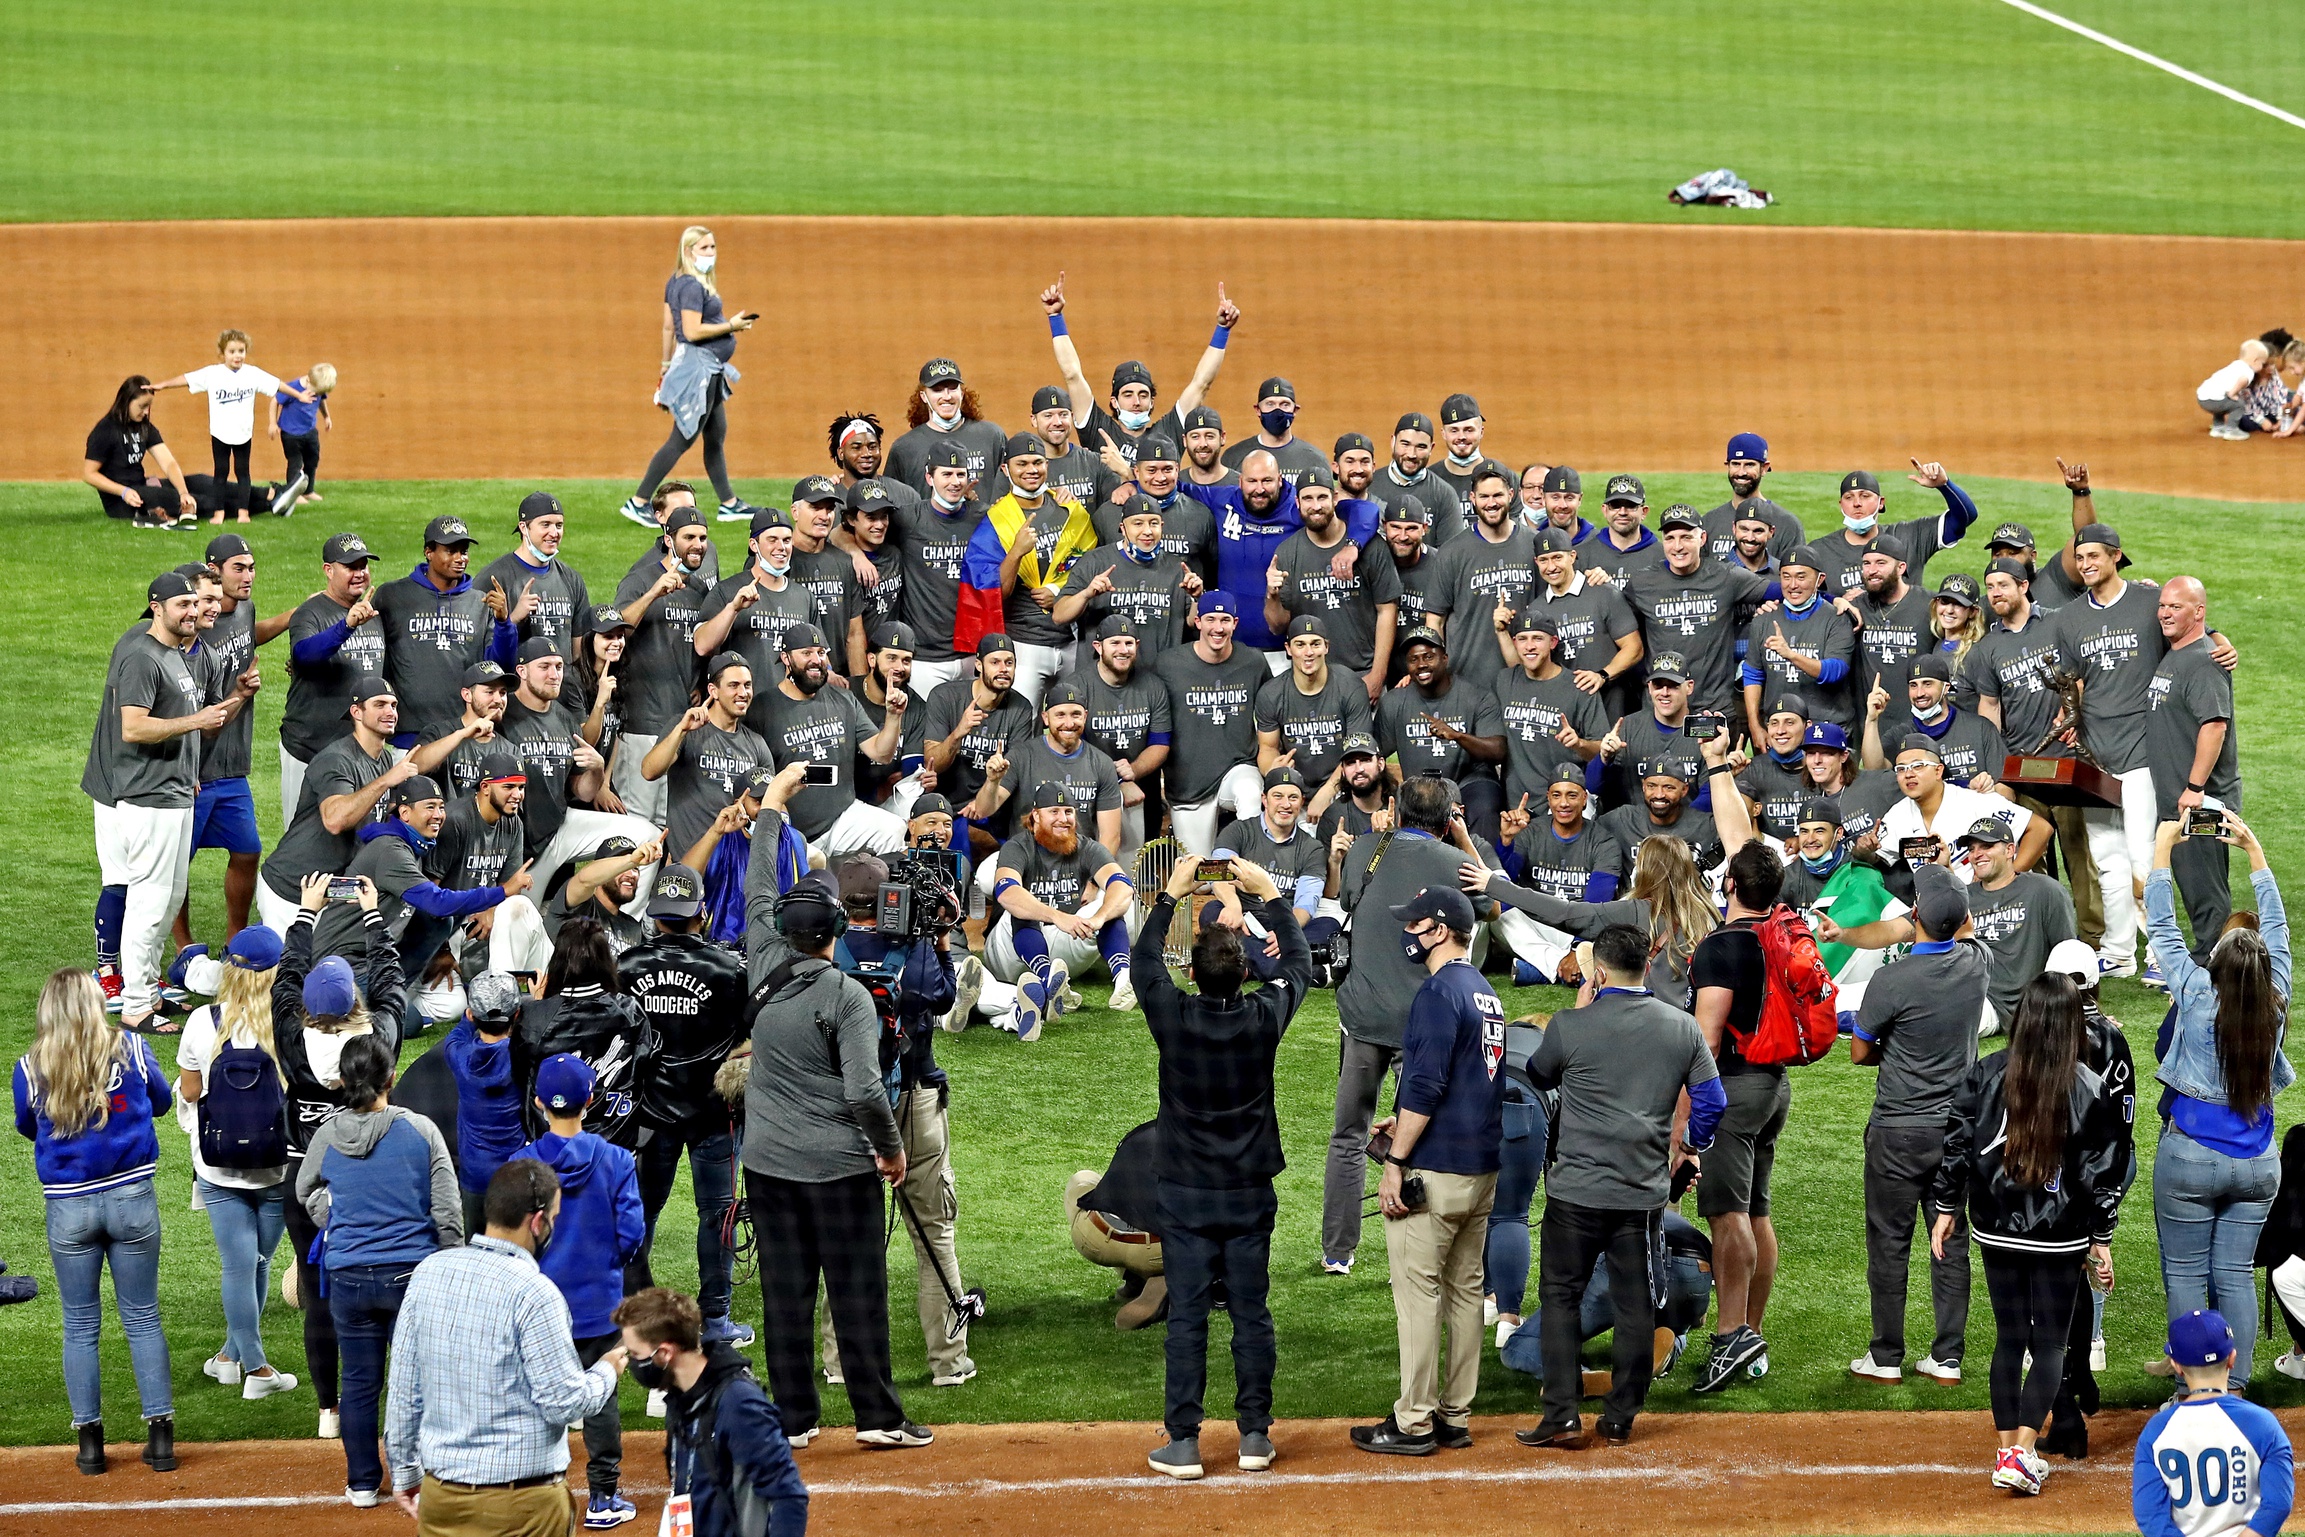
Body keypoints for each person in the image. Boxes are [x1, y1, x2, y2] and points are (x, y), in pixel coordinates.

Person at [738, 793, 932, 1450]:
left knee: (783, 1295)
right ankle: (876, 1418)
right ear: (835, 932)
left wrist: (768, 813)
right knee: (856, 1293)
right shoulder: (846, 994)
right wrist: (891, 1151)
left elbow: (758, 882)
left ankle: (794, 1418)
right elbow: (863, 1088)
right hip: (840, 1170)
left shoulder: (760, 964)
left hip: (767, 1166)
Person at [1513, 924, 1724, 1449]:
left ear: (1599, 973)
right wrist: (1691, 1145)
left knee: (1561, 1297)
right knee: (1636, 1306)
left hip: (1576, 1194)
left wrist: (1582, 1012)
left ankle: (1561, 1414)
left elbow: (1538, 1076)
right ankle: (1619, 1418)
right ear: (1646, 968)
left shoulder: (1568, 1025)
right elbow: (1713, 1102)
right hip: (1641, 1196)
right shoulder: (1682, 1028)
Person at [1138, 854, 1309, 1478]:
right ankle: (1255, 1437)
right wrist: (1266, 896)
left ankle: (1183, 1441)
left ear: (1194, 973)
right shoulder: (1263, 1017)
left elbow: (1144, 963)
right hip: (1246, 1193)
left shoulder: (1173, 1017)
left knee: (1186, 1314)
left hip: (1184, 1192)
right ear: (1243, 973)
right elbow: (1299, 966)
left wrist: (1168, 897)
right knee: (1251, 1312)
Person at [1930, 974, 2125, 1497]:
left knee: (2010, 1340)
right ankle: (2021, 1452)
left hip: (1995, 1228)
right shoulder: (2088, 1086)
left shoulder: (1987, 1073)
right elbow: (2104, 1171)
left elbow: (1957, 1141)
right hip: (2061, 1237)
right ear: (2068, 1025)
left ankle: (2008, 1451)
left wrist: (1946, 1207)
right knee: (2049, 1343)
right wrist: (2101, 1238)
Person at [383, 1159, 631, 1535]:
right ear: (537, 1222)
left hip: (441, 1502)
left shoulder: (428, 1273)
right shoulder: (535, 1293)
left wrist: (404, 1471)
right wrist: (607, 1369)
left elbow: (404, 1388)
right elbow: (564, 1402)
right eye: (554, 1217)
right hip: (522, 1509)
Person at [1350, 885, 1508, 1457]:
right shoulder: (1485, 991)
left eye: (1415, 925)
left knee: (1419, 1297)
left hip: (1435, 1174)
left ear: (1440, 930)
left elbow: (1425, 1086)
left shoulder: (1438, 993)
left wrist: (1395, 1160)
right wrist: (1407, 1123)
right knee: (1466, 1294)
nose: (1408, 935)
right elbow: (1469, 1081)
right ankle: (1454, 1416)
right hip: (1480, 1170)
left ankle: (1413, 1421)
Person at [1324, 777, 1501, 1275]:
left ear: (1397, 811)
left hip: (1362, 1015)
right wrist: (1463, 839)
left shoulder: (1364, 849)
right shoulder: (1455, 862)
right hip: (1424, 1020)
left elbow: (1345, 903)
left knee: (1348, 1134)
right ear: (1448, 819)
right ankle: (1423, 1248)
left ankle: (1337, 1251)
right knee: (1421, 1136)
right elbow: (1492, 906)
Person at [15, 969, 178, 1476]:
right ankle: (161, 1442)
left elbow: (27, 1124)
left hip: (69, 1209)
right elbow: (163, 1103)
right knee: (143, 1318)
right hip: (132, 1199)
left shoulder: (30, 1065)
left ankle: (89, 1446)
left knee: (80, 1325)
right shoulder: (129, 1045)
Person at [819, 854, 973, 1388]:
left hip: (843, 1107)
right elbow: (946, 996)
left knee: (847, 1237)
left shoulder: (825, 950)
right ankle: (948, 1362)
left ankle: (840, 1365)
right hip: (912, 1097)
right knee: (934, 1232)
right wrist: (938, 939)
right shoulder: (913, 947)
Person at [1466, 726, 1752, 1007]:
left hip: (1644, 1022)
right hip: (1694, 1022)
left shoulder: (1634, 912)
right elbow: (1741, 842)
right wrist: (1718, 765)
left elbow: (1563, 913)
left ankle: (1546, 971)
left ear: (1645, 870)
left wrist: (1492, 884)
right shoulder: (1712, 914)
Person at [2149, 811, 2290, 1383]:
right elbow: (2276, 929)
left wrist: (2163, 852)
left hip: (2188, 1160)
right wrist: (2254, 851)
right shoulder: (2275, 995)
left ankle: (2193, 1391)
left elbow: (2162, 928)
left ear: (2215, 964)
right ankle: (2232, 1388)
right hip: (2258, 1164)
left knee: (2186, 1274)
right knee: (2233, 1276)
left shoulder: (2194, 990)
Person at [295, 1031, 461, 1507]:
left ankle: (363, 1482)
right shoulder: (420, 1131)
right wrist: (447, 1266)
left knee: (359, 1383)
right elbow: (447, 1211)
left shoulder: (327, 1136)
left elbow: (306, 1194)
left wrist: (340, 1220)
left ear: (342, 1082)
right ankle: (425, 1476)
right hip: (410, 1276)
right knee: (421, 1382)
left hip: (348, 1278)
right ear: (391, 1077)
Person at [85, 571, 253, 1027]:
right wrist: (195, 722)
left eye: (193, 605)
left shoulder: (179, 654)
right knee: (149, 898)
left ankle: (148, 987)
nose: (193, 612)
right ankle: (137, 1005)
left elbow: (204, 719)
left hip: (177, 791)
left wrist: (230, 702)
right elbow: (133, 727)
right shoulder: (143, 656)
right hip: (147, 794)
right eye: (182, 605)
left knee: (170, 894)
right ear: (156, 608)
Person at [273, 878, 407, 1444]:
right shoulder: (377, 1043)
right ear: (355, 999)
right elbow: (393, 983)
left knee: (318, 1294)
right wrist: (373, 918)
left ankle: (330, 1410)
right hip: (372, 1180)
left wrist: (307, 911)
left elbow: (284, 977)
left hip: (305, 1186)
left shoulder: (290, 1036)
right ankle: (393, 1405)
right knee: (389, 1289)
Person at [1847, 864, 1987, 1386]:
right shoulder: (1977, 965)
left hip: (1898, 1130)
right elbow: (1964, 930)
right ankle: (1946, 1357)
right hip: (1956, 1130)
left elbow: (1861, 1051)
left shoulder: (1891, 979)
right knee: (1949, 1237)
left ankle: (1886, 1356)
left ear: (1913, 916)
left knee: (1889, 1241)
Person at [509, 1054, 647, 1530]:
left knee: (533, 1400)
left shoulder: (519, 1165)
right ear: (591, 1100)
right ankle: (604, 1498)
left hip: (534, 1309)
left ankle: (533, 1495)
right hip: (597, 1307)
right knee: (600, 1399)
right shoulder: (616, 1159)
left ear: (540, 1103)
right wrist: (609, 1266)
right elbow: (632, 1234)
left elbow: (508, 1237)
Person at [621, 864, 752, 1344]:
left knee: (641, 1214)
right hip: (713, 1112)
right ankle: (716, 1321)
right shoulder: (731, 969)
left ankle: (635, 1314)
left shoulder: (627, 966)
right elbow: (751, 1031)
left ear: (656, 917)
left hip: (648, 1112)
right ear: (702, 912)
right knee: (717, 1215)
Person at [174, 925, 299, 1403]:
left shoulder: (202, 1022)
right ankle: (255, 1367)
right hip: (275, 1167)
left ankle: (234, 1359)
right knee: (257, 1263)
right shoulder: (290, 1023)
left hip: (218, 1167)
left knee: (240, 1268)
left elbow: (188, 1092)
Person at [1685, 844, 1792, 1394]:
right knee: (1756, 1213)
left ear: (1729, 885)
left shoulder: (1721, 947)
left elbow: (1705, 1038)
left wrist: (1687, 1116)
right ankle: (1750, 1335)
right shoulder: (1779, 935)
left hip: (1733, 1088)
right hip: (1774, 1086)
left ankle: (1730, 1336)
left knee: (1728, 1216)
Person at [173, 532, 294, 952]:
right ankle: (182, 942)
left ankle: (234, 935)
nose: (248, 576)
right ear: (213, 570)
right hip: (193, 769)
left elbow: (249, 634)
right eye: (238, 568)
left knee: (247, 850)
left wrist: (292, 618)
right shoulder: (192, 629)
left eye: (251, 566)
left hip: (232, 762)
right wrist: (239, 695)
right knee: (175, 866)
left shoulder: (243, 608)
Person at [615, 1286, 809, 1537]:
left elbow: (788, 1496)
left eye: (635, 1354)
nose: (632, 1363)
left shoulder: (739, 1405)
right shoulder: (682, 1395)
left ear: (664, 1353)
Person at [618, 226, 757, 525]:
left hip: (705, 369)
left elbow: (669, 327)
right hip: (700, 371)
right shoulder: (692, 286)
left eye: (712, 247)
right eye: (704, 248)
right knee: (682, 439)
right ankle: (639, 501)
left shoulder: (675, 281)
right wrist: (732, 325)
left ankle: (729, 503)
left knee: (716, 434)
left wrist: (666, 365)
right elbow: (691, 331)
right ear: (687, 251)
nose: (711, 253)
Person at [986, 785, 1136, 1031]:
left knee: (1114, 905)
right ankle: (1047, 979)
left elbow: (1122, 885)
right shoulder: (1018, 846)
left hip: (1059, 945)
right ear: (1036, 816)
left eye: (1068, 811)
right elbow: (1008, 894)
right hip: (1011, 951)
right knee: (1024, 907)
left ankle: (1122, 980)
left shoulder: (1086, 847)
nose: (1063, 819)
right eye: (1053, 811)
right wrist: (1057, 916)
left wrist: (1099, 918)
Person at [2133, 1310, 2294, 1537]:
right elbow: (2278, 1504)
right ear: (2232, 1358)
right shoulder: (2262, 1423)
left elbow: (2150, 1517)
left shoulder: (2156, 1431)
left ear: (2176, 1366)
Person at [2148, 577, 2243, 957]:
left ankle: (2217, 974)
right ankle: (2213, 964)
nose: (2166, 613)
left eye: (2177, 606)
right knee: (2194, 886)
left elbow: (2215, 725)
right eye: (2163, 606)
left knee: (2206, 892)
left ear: (2199, 612)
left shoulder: (2204, 662)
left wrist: (2195, 787)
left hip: (2202, 801)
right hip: (2183, 798)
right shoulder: (2177, 653)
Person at [612, 503, 714, 827]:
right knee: (637, 829)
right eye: (689, 537)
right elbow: (614, 631)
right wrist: (653, 594)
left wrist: (698, 684)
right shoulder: (640, 580)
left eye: (702, 537)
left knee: (667, 827)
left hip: (678, 727)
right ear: (669, 540)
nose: (698, 544)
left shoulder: (699, 591)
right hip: (641, 723)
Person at [373, 516, 519, 740]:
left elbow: (501, 667)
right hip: (406, 732)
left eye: (464, 551)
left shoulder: (480, 603)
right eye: (451, 551)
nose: (460, 558)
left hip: (463, 730)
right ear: (429, 552)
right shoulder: (392, 596)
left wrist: (503, 623)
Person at [1622, 505, 1774, 716]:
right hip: (1662, 710)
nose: (1677, 546)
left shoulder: (1725, 576)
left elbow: (1783, 590)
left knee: (1715, 751)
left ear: (1702, 538)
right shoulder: (1641, 583)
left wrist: (1833, 600)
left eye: (1686, 537)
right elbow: (1615, 621)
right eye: (1670, 538)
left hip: (1714, 710)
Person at [84, 375, 289, 529]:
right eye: (142, 406)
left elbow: (168, 463)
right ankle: (268, 505)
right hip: (122, 501)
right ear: (126, 401)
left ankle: (273, 493)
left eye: (149, 407)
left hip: (142, 485)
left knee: (200, 482)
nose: (146, 412)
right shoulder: (105, 430)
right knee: (199, 501)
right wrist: (124, 492)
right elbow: (89, 473)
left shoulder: (144, 426)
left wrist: (183, 491)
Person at [514, 917, 652, 1146]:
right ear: (606, 960)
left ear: (558, 960)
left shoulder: (535, 1018)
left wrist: (538, 1005)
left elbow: (519, 1077)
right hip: (616, 1145)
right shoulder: (630, 1012)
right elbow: (646, 1070)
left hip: (551, 1146)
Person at [1267, 465, 1402, 696]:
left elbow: (1387, 611)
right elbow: (1278, 626)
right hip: (1310, 680)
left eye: (1322, 497)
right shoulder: (1287, 553)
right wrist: (1272, 596)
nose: (1316, 506)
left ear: (1335, 498)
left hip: (1363, 674)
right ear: (1298, 503)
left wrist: (1378, 676)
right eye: (1308, 498)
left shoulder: (1370, 547)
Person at [1155, 593, 1272, 854]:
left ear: (1235, 623)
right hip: (1189, 784)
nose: (1218, 628)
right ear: (1197, 622)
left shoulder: (1253, 661)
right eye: (1210, 619)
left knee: (1251, 793)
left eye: (1225, 620)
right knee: (1203, 879)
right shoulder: (1168, 664)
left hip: (1237, 767)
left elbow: (1273, 710)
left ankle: (1249, 868)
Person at [280, 532, 386, 821]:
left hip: (358, 749)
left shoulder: (373, 613)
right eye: (351, 567)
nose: (360, 573)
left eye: (364, 566)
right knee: (300, 836)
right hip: (309, 746)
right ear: (329, 570)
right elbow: (304, 655)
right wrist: (347, 626)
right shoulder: (310, 612)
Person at [150, 329, 308, 520]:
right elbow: (186, 379)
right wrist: (163, 385)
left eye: (241, 351)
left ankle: (243, 513)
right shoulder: (213, 374)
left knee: (243, 473)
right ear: (222, 353)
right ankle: (219, 513)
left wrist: (299, 395)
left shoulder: (252, 374)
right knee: (220, 474)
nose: (237, 356)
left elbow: (277, 384)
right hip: (220, 433)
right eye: (232, 351)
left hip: (243, 434)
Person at [643, 653, 778, 868]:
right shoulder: (685, 728)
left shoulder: (756, 744)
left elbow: (770, 803)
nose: (743, 693)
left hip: (737, 863)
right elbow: (649, 771)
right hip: (690, 862)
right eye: (733, 685)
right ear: (713, 691)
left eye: (747, 685)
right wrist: (681, 730)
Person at [1376, 629, 1506, 846]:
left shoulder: (1476, 695)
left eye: (1428, 656)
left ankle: (1485, 872)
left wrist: (1458, 736)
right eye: (1413, 659)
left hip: (1468, 782)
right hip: (1420, 787)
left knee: (1485, 802)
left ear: (1445, 658)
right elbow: (1376, 754)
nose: (1421, 665)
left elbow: (1498, 751)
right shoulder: (1394, 702)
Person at [1067, 617, 1173, 863]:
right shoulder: (1076, 686)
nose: (1123, 650)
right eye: (1115, 643)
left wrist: (1132, 772)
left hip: (1137, 780)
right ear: (1098, 647)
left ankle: (1132, 870)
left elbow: (1160, 744)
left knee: (1129, 872)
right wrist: (1114, 779)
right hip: (1084, 778)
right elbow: (1067, 744)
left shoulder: (1152, 686)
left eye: (1129, 643)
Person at [694, 512, 817, 716]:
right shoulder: (727, 590)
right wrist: (733, 609)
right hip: (742, 710)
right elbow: (702, 645)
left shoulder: (804, 597)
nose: (781, 547)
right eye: (772, 540)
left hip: (792, 713)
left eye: (787, 540)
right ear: (754, 545)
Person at [439, 973, 528, 1237]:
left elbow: (461, 1029)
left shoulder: (457, 1053)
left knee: (476, 1245)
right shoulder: (526, 1056)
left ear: (470, 1015)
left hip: (474, 1175)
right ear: (516, 1015)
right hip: (515, 1172)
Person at [1740, 544, 1856, 733]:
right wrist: (1755, 725)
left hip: (1826, 726)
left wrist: (1791, 655)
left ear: (1820, 580)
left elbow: (1835, 671)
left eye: (1801, 577)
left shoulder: (1837, 618)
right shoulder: (1763, 619)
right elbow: (1753, 673)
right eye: (1786, 577)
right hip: (1779, 728)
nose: (1793, 585)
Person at [1065, 1123, 1169, 1329]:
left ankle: (1133, 1278)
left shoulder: (1143, 1133)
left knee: (1082, 1179)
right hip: (1158, 1251)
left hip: (1098, 1237)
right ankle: (1164, 1277)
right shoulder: (1205, 1145)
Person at [481, 492, 593, 684]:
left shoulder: (572, 579)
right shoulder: (494, 578)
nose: (554, 533)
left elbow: (578, 649)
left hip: (562, 692)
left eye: (559, 525)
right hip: (516, 694)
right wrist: (514, 617)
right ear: (524, 527)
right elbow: (481, 650)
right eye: (545, 525)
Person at [1011, 678, 1124, 852]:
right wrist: (993, 781)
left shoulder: (1102, 763)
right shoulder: (1022, 755)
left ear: (1085, 716)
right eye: (1060, 715)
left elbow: (1111, 836)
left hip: (1080, 862)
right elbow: (985, 809)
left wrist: (1094, 878)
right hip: (1030, 860)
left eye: (1076, 714)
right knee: (987, 876)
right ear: (1046, 718)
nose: (1069, 723)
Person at [885, 357, 1009, 499]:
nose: (947, 396)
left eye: (952, 388)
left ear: (961, 393)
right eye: (937, 390)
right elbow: (893, 502)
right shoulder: (905, 448)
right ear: (924, 396)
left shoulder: (992, 436)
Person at [1218, 377, 1328, 484]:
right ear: (1258, 410)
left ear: (1295, 410)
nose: (1277, 410)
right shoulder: (1234, 456)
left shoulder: (1315, 459)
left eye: (1285, 404)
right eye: (1270, 404)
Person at [270, 360, 335, 502]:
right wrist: (272, 423)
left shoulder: (319, 387)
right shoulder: (293, 388)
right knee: (295, 463)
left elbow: (322, 400)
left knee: (312, 460)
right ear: (309, 379)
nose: (317, 393)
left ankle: (308, 490)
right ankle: (294, 493)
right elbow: (275, 401)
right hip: (291, 434)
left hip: (310, 431)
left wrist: (327, 417)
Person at [2197, 338, 2270, 439]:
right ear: (2255, 361)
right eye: (2262, 364)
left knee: (2222, 401)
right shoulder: (2248, 371)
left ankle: (2218, 428)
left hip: (2202, 397)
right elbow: (2243, 380)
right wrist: (2233, 393)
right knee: (2238, 405)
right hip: (2212, 401)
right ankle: (2232, 431)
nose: (2262, 367)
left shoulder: (2236, 364)